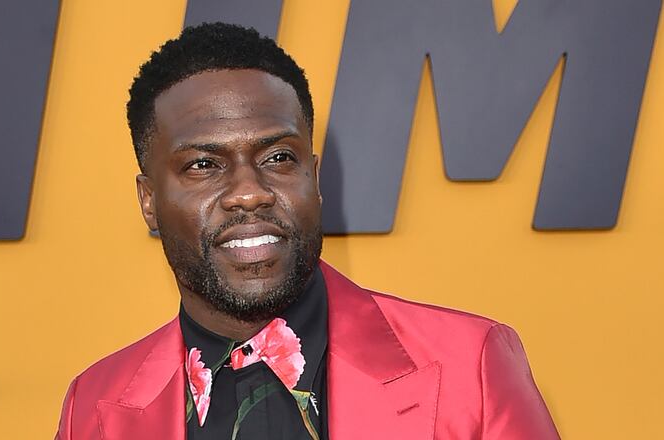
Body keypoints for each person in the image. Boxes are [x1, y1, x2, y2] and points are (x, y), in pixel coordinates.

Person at [54, 23, 560, 440]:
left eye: (278, 158)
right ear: (148, 201)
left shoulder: (470, 370)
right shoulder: (93, 409)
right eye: (204, 164)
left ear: (314, 178)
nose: (249, 192)